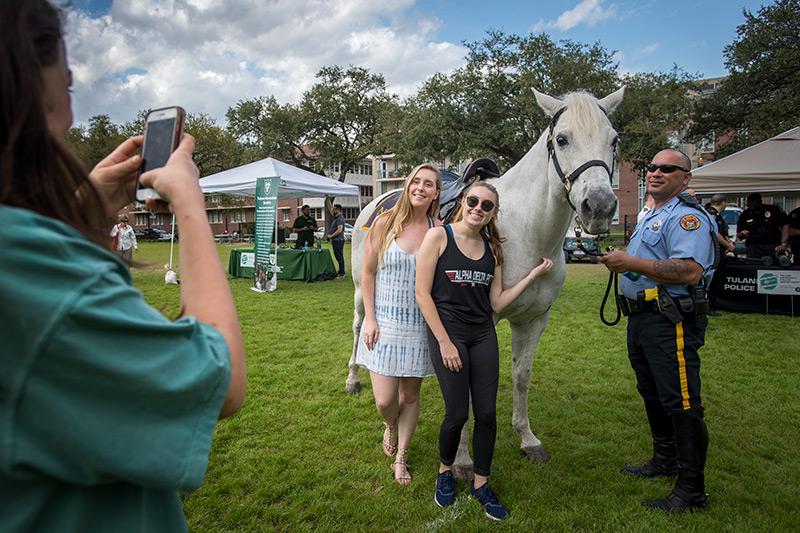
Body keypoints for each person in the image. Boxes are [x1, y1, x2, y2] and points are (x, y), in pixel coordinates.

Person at [0, 2, 247, 530]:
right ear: (25, 94)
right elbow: (219, 379)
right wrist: (189, 203)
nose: (69, 115)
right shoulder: (28, 269)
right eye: (66, 86)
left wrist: (85, 208)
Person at [416, 182, 553, 521]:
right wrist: (445, 342)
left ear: (494, 212)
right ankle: (445, 472)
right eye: (474, 201)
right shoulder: (438, 238)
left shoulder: (493, 249)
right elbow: (421, 294)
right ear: (463, 201)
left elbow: (497, 302)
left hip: (482, 335)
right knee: (457, 413)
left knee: (488, 416)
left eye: (487, 205)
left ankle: (481, 483)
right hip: (448, 335)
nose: (478, 208)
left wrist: (533, 275)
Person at [598, 149, 717, 513]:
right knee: (652, 392)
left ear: (686, 178)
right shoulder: (654, 214)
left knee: (681, 401)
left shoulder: (686, 219)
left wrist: (630, 261)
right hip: (642, 319)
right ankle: (664, 459)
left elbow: (689, 271)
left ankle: (691, 490)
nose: (655, 173)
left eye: (667, 168)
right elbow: (650, 265)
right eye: (651, 167)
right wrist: (626, 263)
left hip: (671, 321)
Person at [355, 163, 441, 485]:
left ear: (435, 193)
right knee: (385, 401)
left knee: (410, 397)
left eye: (428, 184)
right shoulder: (384, 223)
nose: (421, 187)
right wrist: (370, 318)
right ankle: (390, 424)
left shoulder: (438, 229)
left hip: (419, 327)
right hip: (384, 324)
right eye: (416, 181)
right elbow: (368, 273)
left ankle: (402, 457)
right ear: (408, 186)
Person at [705, 194, 735, 315]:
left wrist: (728, 242)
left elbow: (722, 232)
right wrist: (728, 245)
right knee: (712, 280)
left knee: (716, 280)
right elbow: (715, 234)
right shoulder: (711, 214)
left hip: (718, 252)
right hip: (713, 253)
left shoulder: (716, 216)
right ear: (723, 203)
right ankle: (709, 307)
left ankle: (712, 305)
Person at [736, 192, 788, 259]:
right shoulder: (745, 214)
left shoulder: (773, 210)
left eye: (753, 202)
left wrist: (783, 243)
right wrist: (742, 234)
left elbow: (786, 225)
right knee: (753, 267)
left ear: (759, 201)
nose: (749, 204)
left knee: (773, 267)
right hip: (754, 247)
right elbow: (739, 235)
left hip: (773, 246)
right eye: (748, 202)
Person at [326, 199, 346, 278]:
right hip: (336, 240)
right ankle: (340, 271)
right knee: (337, 256)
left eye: (334, 209)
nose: (333, 210)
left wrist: (331, 236)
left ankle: (342, 273)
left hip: (338, 240)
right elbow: (330, 208)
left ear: (338, 209)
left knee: (339, 256)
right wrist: (327, 199)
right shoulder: (336, 217)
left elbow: (340, 230)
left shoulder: (340, 218)